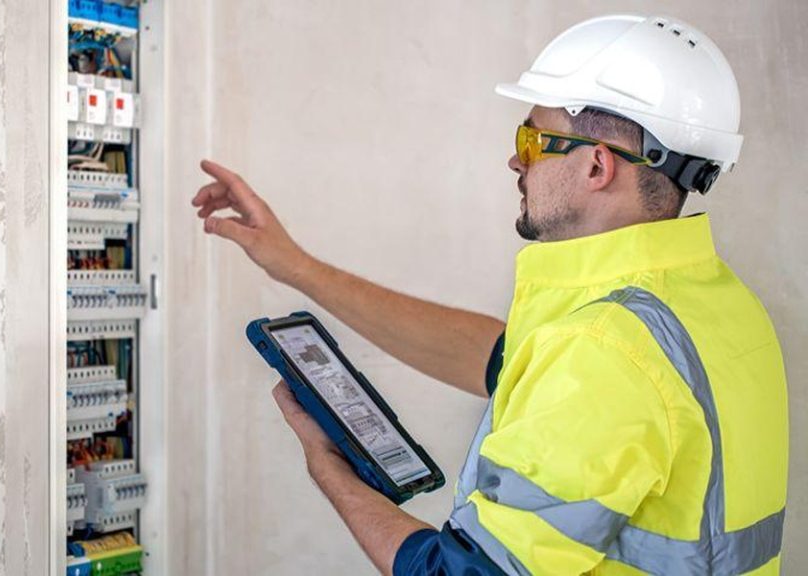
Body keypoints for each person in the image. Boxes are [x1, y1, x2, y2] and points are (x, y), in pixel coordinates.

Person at [191, 14, 788, 576]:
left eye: (531, 140)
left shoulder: (603, 351)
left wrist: (328, 466)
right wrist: (296, 266)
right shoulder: (707, 303)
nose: (513, 160)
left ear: (597, 167)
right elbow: (497, 359)